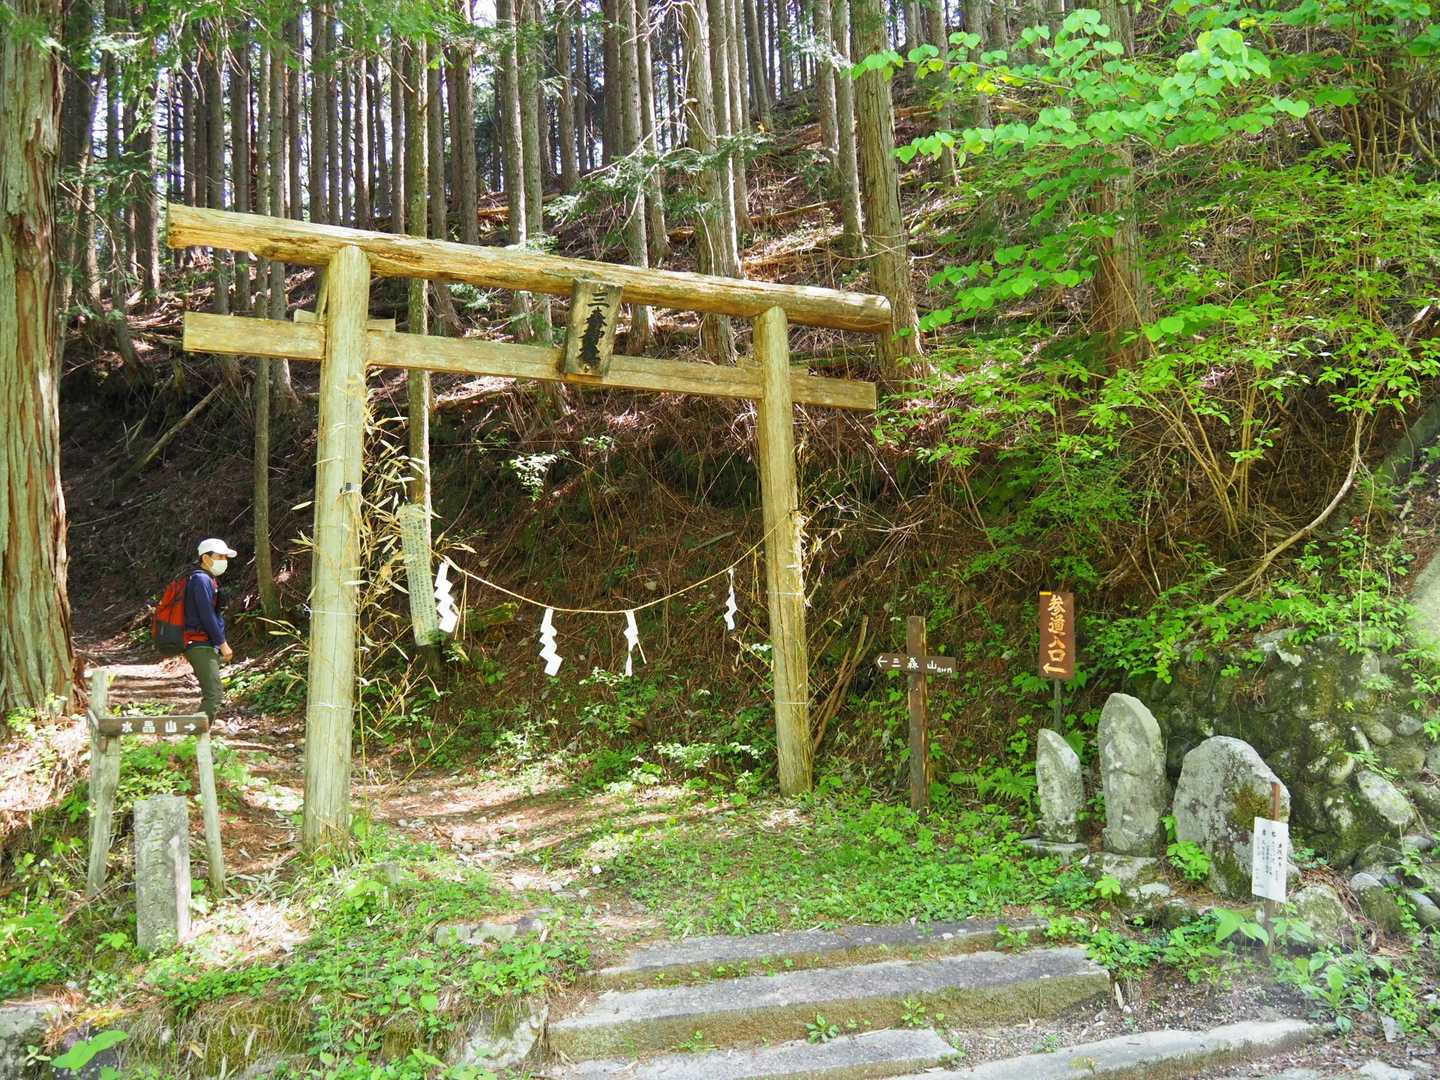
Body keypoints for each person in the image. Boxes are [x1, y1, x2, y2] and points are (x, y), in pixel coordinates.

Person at [185, 538, 237, 725]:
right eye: (220, 556)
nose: (224, 560)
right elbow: (206, 615)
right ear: (206, 559)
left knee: (213, 694)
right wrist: (223, 644)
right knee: (214, 695)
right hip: (199, 643)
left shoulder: (207, 579)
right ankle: (192, 734)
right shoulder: (201, 580)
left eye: (225, 557)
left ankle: (196, 734)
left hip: (204, 643)